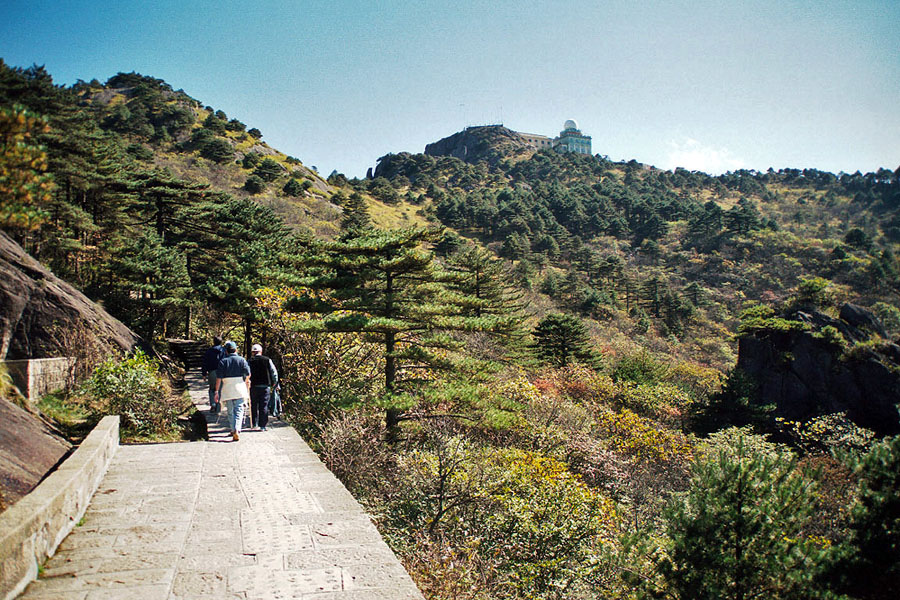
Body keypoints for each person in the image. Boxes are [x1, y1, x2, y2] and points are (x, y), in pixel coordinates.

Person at [214, 341, 250, 441]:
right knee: (239, 410)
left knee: (230, 411)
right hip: (239, 388)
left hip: (227, 389)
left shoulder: (223, 361)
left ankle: (233, 429)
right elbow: (248, 374)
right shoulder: (242, 360)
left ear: (226, 351)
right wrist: (247, 382)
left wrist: (216, 391)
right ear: (236, 350)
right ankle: (237, 429)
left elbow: (218, 378)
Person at [248, 343, 278, 431]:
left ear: (253, 352)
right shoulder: (267, 360)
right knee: (264, 405)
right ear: (261, 351)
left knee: (253, 405)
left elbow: (246, 373)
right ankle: (263, 426)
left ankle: (254, 423)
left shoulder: (249, 361)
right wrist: (275, 382)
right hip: (265, 386)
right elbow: (274, 372)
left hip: (253, 386)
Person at [200, 336, 225, 413]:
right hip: (222, 372)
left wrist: (204, 373)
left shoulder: (209, 351)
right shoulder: (224, 350)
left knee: (212, 389)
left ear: (213, 342)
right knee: (220, 389)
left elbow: (205, 362)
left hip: (212, 372)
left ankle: (213, 404)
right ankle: (218, 406)